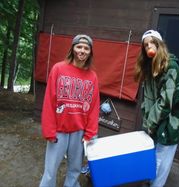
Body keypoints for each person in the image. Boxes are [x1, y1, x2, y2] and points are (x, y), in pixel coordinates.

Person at [39, 34, 100, 187]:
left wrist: (90, 133)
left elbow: (93, 107)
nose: (82, 50)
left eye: (86, 48)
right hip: (59, 129)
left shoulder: (92, 76)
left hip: (79, 131)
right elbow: (49, 102)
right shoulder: (58, 68)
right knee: (50, 169)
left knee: (75, 168)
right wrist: (49, 130)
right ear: (72, 48)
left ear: (90, 53)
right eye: (79, 46)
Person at [134, 30, 179, 187]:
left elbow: (165, 103)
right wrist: (148, 120)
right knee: (151, 160)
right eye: (146, 45)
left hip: (171, 123)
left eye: (153, 43)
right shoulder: (150, 68)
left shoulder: (171, 67)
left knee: (159, 164)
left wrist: (150, 124)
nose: (149, 47)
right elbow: (148, 99)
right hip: (156, 122)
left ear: (160, 45)